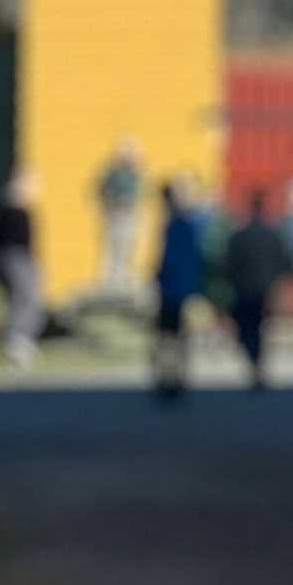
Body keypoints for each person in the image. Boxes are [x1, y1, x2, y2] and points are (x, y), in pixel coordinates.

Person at [223, 187, 292, 388]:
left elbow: (228, 264)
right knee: (258, 328)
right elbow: (284, 262)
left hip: (244, 288)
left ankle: (254, 363)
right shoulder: (272, 235)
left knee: (247, 328)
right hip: (264, 289)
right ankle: (257, 364)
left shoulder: (240, 235)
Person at [149, 177, 208, 400]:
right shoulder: (184, 224)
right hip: (178, 289)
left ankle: (170, 378)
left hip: (173, 290)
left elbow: (173, 261)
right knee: (173, 337)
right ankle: (172, 378)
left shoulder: (178, 225)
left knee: (168, 337)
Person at [0, 169, 43, 369]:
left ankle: (23, 341)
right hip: (14, 258)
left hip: (24, 258)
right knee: (21, 299)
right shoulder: (11, 209)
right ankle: (15, 342)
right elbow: (4, 239)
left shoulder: (24, 209)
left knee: (30, 299)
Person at [91, 138, 144, 294]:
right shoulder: (111, 173)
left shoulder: (135, 173)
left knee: (127, 246)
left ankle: (124, 278)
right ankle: (109, 281)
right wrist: (111, 203)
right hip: (113, 214)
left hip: (129, 214)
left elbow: (139, 195)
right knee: (112, 247)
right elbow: (101, 191)